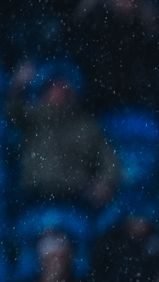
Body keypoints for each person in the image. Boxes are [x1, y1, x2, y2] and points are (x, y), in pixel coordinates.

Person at [7, 62, 120, 209]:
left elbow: (109, 160)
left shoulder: (86, 125)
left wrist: (105, 183)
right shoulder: (34, 117)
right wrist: (18, 86)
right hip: (34, 199)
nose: (56, 93)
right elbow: (13, 113)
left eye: (62, 88)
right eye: (52, 88)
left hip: (74, 200)